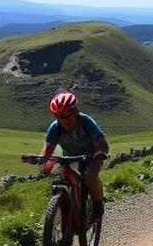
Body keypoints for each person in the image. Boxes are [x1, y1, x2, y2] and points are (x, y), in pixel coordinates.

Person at [38, 91, 109, 220]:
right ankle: (65, 211)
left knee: (89, 176)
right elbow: (48, 149)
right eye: (59, 117)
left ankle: (98, 204)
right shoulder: (55, 127)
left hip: (91, 157)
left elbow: (103, 145)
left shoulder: (86, 122)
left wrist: (100, 153)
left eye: (67, 116)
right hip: (69, 158)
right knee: (63, 179)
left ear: (75, 111)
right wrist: (42, 160)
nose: (64, 120)